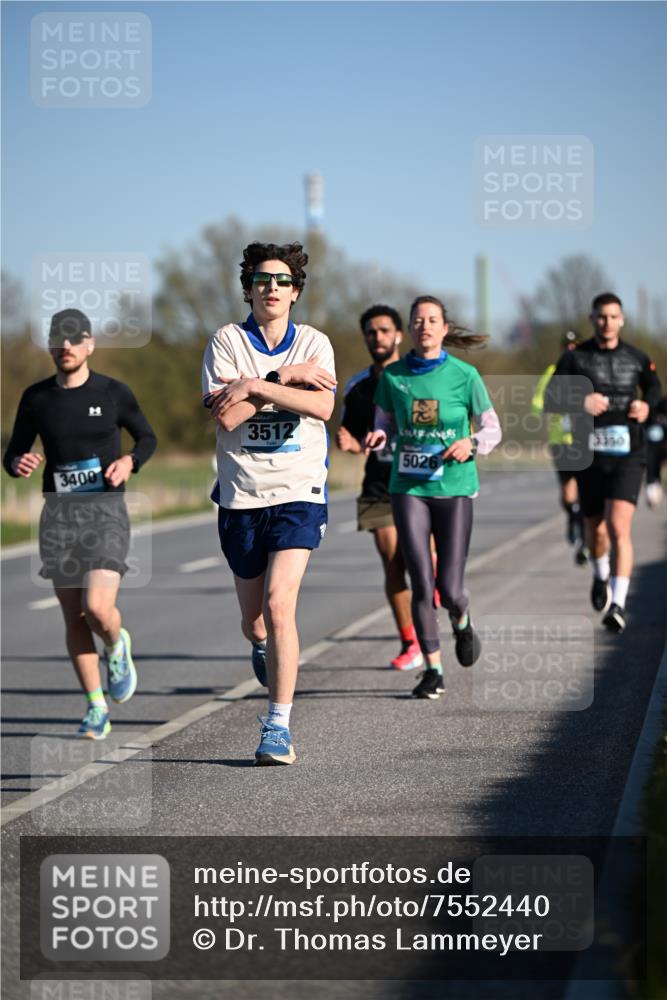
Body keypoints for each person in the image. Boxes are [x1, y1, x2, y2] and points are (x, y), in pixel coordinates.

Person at [202, 241, 336, 765]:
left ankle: (277, 725)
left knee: (280, 606)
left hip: (299, 492)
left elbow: (322, 405)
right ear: (248, 288)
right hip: (241, 496)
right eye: (261, 280)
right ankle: (259, 644)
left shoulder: (316, 343)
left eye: (282, 281)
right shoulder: (227, 341)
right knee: (255, 621)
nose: (271, 288)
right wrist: (281, 378)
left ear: (296, 291)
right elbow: (228, 418)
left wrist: (253, 387)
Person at [2, 309, 157, 739]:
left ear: (89, 344)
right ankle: (95, 707)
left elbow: (147, 437)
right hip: (58, 519)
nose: (65, 346)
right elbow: (12, 452)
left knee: (97, 608)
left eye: (74, 338)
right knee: (73, 616)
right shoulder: (36, 399)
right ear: (50, 345)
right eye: (58, 338)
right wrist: (18, 462)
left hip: (105, 514)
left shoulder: (112, 392)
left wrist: (130, 461)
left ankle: (116, 643)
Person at [364, 296, 501, 699]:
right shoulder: (393, 377)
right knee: (421, 583)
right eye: (418, 320)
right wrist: (381, 435)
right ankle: (433, 669)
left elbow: (492, 428)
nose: (425, 325)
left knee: (451, 588)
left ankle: (462, 621)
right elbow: (383, 421)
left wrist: (471, 442)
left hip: (455, 486)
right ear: (409, 329)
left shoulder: (465, 375)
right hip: (408, 487)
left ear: (444, 328)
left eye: (433, 320)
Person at [544, 292, 662, 633]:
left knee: (618, 527)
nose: (607, 322)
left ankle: (618, 603)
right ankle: (600, 575)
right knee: (594, 528)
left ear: (621, 319)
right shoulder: (575, 359)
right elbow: (551, 397)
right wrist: (581, 400)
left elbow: (654, 388)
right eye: (601, 316)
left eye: (613, 316)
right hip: (589, 455)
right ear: (591, 319)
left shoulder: (637, 357)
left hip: (628, 452)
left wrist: (646, 407)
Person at [336, 305, 423, 671]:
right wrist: (351, 444)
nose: (378, 337)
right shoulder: (358, 388)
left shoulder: (417, 379)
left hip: (420, 483)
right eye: (371, 332)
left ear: (399, 335)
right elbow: (352, 437)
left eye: (384, 330)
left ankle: (435, 605)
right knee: (393, 563)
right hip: (378, 486)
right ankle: (411, 642)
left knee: (424, 562)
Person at [531, 329, 589, 565]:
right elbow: (537, 402)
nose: (570, 349)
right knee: (568, 492)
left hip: (584, 439)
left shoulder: (588, 370)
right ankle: (573, 518)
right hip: (560, 439)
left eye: (575, 345)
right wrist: (552, 407)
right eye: (567, 345)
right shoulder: (552, 372)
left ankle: (585, 538)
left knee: (587, 491)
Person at [645, 395, 667, 508]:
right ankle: (651, 494)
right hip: (649, 446)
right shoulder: (649, 409)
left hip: (661, 445)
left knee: (657, 470)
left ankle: (656, 491)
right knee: (651, 469)